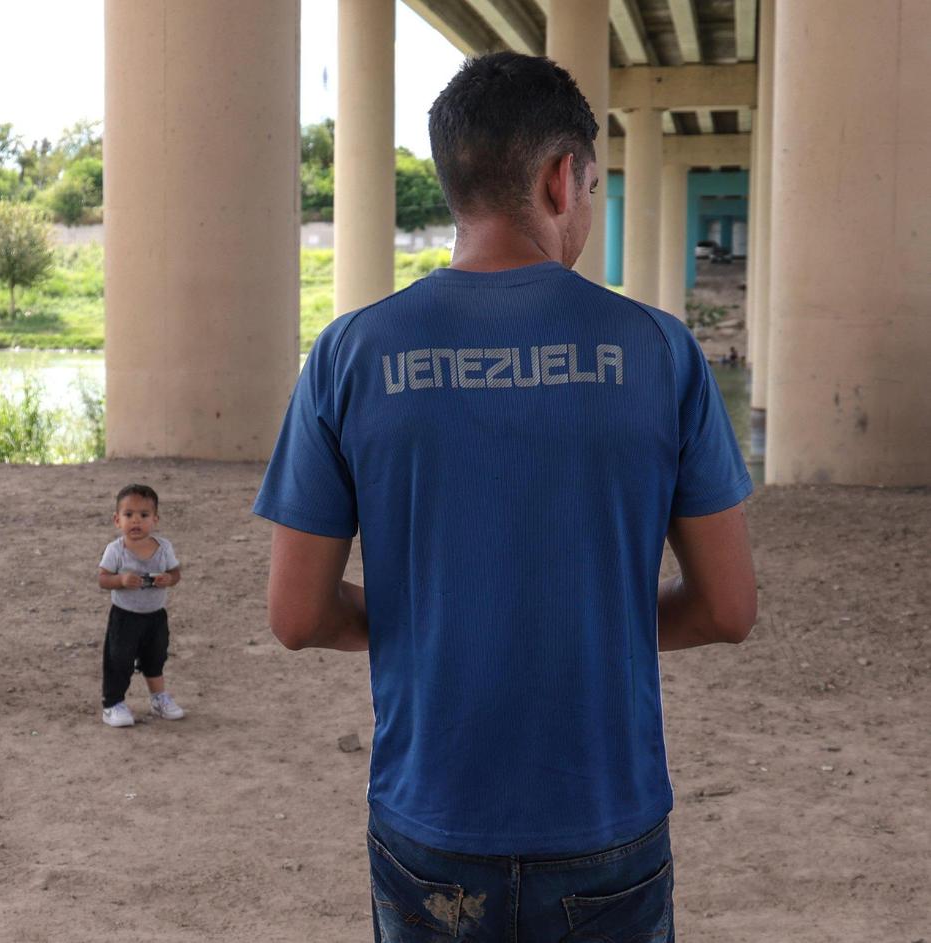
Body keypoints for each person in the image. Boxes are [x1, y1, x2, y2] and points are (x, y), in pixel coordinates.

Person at [253, 53, 756, 941]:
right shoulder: (660, 352)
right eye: (595, 186)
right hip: (607, 820)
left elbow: (296, 615)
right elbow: (728, 607)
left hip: (430, 821)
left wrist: (441, 618)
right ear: (562, 179)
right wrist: (581, 618)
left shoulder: (349, 354)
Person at [97, 483, 185, 727]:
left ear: (155, 519)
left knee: (155, 658)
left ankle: (159, 699)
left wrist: (169, 579)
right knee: (119, 660)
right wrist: (121, 580)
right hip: (125, 617)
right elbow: (103, 579)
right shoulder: (116, 550)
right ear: (117, 520)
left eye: (143, 515)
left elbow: (175, 573)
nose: (136, 521)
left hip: (155, 616)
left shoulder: (163, 547)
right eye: (128, 515)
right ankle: (113, 703)